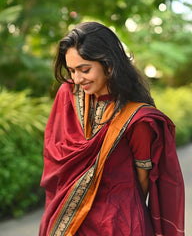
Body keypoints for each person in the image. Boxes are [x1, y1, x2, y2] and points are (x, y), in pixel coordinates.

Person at [39, 21, 185, 236]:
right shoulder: (67, 96)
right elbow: (55, 161)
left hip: (118, 224)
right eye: (72, 71)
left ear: (108, 65)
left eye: (84, 69)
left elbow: (142, 182)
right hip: (70, 221)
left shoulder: (137, 118)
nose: (78, 79)